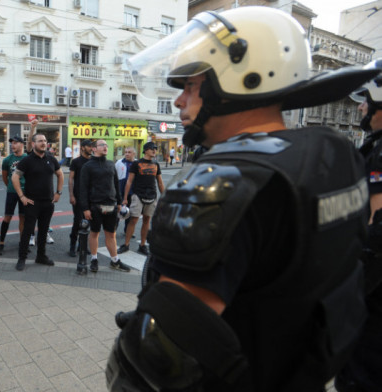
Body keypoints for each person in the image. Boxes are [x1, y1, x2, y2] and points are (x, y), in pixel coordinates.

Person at [105, 7, 379, 391]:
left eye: (190, 86)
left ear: (240, 78)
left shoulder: (227, 181)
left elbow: (162, 352)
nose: (179, 101)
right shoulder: (331, 153)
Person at [336, 58, 382, 392]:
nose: (361, 107)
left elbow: (374, 224)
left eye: (366, 99)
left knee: (362, 372)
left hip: (374, 291)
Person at [12, 133, 63, 271]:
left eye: (45, 141)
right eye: (40, 141)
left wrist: (58, 192)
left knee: (43, 230)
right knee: (27, 231)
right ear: (33, 144)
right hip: (32, 203)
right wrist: (22, 196)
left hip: (48, 203)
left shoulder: (51, 159)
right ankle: (22, 258)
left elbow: (60, 174)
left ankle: (41, 256)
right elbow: (15, 177)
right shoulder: (27, 160)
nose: (43, 143)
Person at [78, 140, 129, 273]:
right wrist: (85, 208)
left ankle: (115, 261)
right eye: (102, 145)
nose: (105, 147)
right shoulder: (88, 166)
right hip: (95, 206)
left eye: (106, 145)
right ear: (94, 149)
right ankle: (94, 259)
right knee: (94, 233)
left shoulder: (111, 164)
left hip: (111, 205)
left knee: (111, 235)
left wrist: (119, 202)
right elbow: (82, 189)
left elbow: (116, 184)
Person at [118, 142, 164, 256]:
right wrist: (125, 198)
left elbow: (160, 182)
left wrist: (164, 196)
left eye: (155, 149)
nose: (154, 151)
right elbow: (129, 181)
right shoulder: (136, 163)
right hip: (138, 195)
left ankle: (143, 245)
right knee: (133, 220)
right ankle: (126, 244)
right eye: (152, 148)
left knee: (147, 220)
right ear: (146, 150)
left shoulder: (156, 164)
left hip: (152, 196)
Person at [0, 136, 27, 255]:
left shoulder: (27, 158)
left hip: (25, 193)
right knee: (7, 217)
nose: (13, 145)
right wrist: (11, 186)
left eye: (15, 143)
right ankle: (1, 242)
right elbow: (5, 177)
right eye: (12, 143)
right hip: (12, 192)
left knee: (23, 218)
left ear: (22, 144)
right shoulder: (7, 160)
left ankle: (22, 242)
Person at [67, 139, 93, 257]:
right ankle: (72, 246)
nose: (91, 148)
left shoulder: (93, 161)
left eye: (92, 146)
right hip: (78, 196)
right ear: (82, 147)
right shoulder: (76, 161)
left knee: (88, 222)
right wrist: (71, 195)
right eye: (89, 146)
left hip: (91, 197)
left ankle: (82, 246)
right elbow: (71, 179)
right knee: (78, 221)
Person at [114, 147, 136, 236]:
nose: (127, 154)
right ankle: (113, 229)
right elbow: (114, 177)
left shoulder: (137, 163)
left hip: (132, 192)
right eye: (126, 152)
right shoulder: (119, 163)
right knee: (118, 211)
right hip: (120, 191)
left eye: (129, 152)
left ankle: (127, 230)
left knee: (130, 212)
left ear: (134, 154)